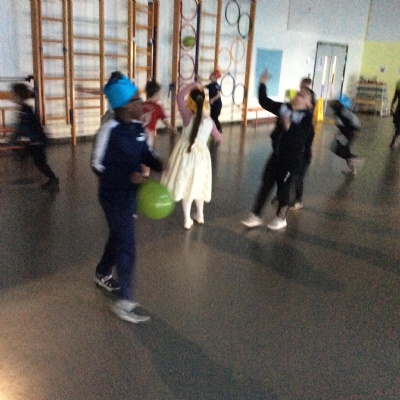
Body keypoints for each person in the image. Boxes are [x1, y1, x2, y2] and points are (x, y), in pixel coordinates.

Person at [92, 72, 163, 324]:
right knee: (127, 245)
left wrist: (159, 164)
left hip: (130, 195)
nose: (141, 103)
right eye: (136, 100)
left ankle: (102, 272)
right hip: (113, 196)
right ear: (123, 107)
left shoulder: (137, 127)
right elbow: (97, 165)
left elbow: (145, 154)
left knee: (118, 236)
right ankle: (124, 300)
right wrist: (126, 177)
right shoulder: (108, 130)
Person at [241, 71, 316, 230]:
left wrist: (290, 127)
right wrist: (262, 83)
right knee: (266, 184)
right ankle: (256, 215)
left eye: (305, 95)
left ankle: (281, 218)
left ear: (309, 104)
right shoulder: (284, 108)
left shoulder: (306, 118)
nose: (300, 93)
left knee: (283, 190)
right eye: (300, 91)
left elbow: (302, 137)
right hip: (276, 156)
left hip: (292, 161)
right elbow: (265, 102)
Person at [161, 81, 221, 230]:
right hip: (202, 158)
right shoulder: (210, 122)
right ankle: (200, 215)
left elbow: (179, 96)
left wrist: (193, 84)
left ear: (190, 103)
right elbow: (218, 137)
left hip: (186, 155)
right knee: (198, 185)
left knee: (187, 187)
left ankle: (187, 220)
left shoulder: (187, 116)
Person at [271, 77, 315, 210]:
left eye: (304, 89)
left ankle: (298, 200)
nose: (300, 91)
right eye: (301, 88)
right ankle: (281, 195)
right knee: (284, 175)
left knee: (297, 177)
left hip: (301, 154)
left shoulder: (306, 119)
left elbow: (304, 139)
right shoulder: (292, 111)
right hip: (289, 151)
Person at [9, 82, 59, 191]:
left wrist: (12, 139)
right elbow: (23, 127)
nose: (11, 96)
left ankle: (53, 179)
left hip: (38, 141)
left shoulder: (25, 110)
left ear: (18, 96)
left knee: (40, 163)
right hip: (35, 141)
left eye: (13, 94)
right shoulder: (24, 109)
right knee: (36, 161)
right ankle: (51, 178)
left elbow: (22, 128)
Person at [141, 80, 174, 177]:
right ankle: (145, 175)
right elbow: (166, 122)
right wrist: (172, 129)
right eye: (159, 93)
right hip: (148, 134)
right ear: (156, 93)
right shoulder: (158, 107)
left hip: (137, 132)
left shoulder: (140, 105)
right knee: (147, 153)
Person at [329, 96, 364, 175]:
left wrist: (356, 129)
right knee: (343, 150)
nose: (332, 102)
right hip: (345, 133)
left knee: (340, 150)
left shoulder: (343, 111)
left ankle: (354, 158)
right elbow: (341, 124)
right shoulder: (337, 112)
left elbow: (354, 119)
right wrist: (339, 132)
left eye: (335, 101)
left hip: (349, 133)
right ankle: (352, 169)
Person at [389, 80, 400, 148]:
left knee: (398, 125)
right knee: (398, 126)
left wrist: (392, 104)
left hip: (399, 109)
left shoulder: (398, 83)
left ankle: (395, 138)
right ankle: (395, 138)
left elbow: (395, 96)